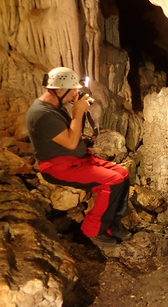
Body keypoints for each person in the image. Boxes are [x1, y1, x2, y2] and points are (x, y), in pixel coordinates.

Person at [26, 67, 131, 247]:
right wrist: (78, 111)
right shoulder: (41, 114)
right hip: (58, 167)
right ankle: (92, 231)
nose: (77, 92)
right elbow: (71, 143)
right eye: (73, 89)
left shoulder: (54, 106)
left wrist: (78, 109)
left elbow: (72, 136)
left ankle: (111, 224)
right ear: (58, 90)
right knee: (112, 181)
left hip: (77, 160)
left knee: (122, 173)